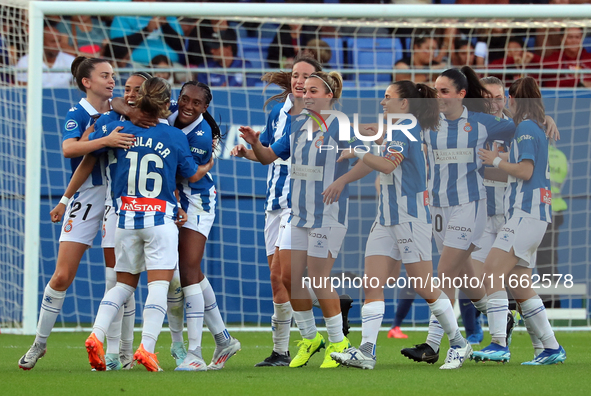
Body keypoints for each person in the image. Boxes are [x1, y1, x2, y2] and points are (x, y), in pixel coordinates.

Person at [331, 81, 471, 370]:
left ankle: (459, 344)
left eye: (388, 97)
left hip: (410, 219)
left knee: (424, 285)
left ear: (404, 104)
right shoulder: (396, 129)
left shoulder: (403, 130)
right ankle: (367, 351)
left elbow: (387, 165)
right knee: (373, 285)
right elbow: (375, 149)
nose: (383, 102)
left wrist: (356, 149)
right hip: (386, 219)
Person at [240, 71, 368, 368]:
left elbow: (367, 159)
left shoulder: (341, 124)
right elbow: (268, 156)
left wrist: (341, 181)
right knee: (288, 277)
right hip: (297, 213)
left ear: (329, 96)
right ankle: (311, 337)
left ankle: (339, 343)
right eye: (304, 91)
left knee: (319, 278)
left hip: (328, 214)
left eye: (313, 91)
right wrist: (253, 144)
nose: (306, 95)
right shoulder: (297, 124)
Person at [18, 56, 135, 370]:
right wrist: (65, 199)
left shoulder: (119, 109)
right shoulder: (78, 113)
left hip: (116, 197)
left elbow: (127, 105)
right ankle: (39, 343)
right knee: (61, 275)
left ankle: (122, 353)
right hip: (85, 197)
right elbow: (70, 149)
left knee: (118, 276)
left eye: (113, 75)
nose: (111, 80)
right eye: (104, 75)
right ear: (87, 81)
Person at [84, 77, 206, 372]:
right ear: (166, 105)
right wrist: (209, 164)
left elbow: (88, 142)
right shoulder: (175, 136)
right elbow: (191, 174)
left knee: (122, 286)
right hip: (159, 220)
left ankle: (96, 335)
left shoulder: (120, 128)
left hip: (125, 218)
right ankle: (146, 348)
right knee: (159, 285)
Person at [400, 66, 518, 365]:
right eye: (435, 90)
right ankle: (500, 316)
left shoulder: (481, 122)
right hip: (437, 206)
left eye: (443, 91)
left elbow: (523, 128)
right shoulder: (427, 122)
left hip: (470, 204)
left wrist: (545, 120)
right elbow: (396, 131)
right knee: (465, 277)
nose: (437, 96)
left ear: (461, 94)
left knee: (444, 272)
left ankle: (438, 344)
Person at [49, 71, 155, 370]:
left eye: (138, 90)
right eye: (126, 88)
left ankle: (186, 348)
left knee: (175, 281)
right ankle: (118, 353)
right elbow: (85, 159)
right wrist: (64, 200)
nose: (130, 93)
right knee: (119, 279)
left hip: (158, 212)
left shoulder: (164, 121)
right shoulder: (110, 122)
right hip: (117, 208)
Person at [231, 56, 322, 367]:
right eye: (295, 75)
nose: (299, 81)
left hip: (298, 202)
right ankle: (281, 351)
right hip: (273, 201)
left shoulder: (319, 116)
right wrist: (248, 150)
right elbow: (267, 154)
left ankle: (323, 325)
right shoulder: (277, 112)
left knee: (284, 274)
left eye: (306, 76)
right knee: (277, 279)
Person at [474, 76, 566, 365]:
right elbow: (519, 171)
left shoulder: (525, 128)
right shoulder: (533, 126)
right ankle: (550, 348)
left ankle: (499, 342)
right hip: (535, 214)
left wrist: (496, 160)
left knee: (491, 270)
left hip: (526, 212)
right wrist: (491, 166)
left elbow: (525, 171)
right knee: (519, 283)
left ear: (512, 99)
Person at [168, 81, 242, 371]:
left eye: (195, 103)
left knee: (187, 272)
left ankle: (195, 353)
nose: (188, 105)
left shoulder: (200, 136)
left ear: (205, 107)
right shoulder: (169, 112)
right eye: (184, 99)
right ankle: (223, 339)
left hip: (196, 201)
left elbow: (188, 175)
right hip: (173, 199)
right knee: (188, 272)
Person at [536, 143, 568, 309]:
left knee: (520, 260)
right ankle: (552, 305)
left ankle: (513, 305)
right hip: (555, 212)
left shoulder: (534, 151)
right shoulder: (561, 157)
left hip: (536, 210)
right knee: (548, 261)